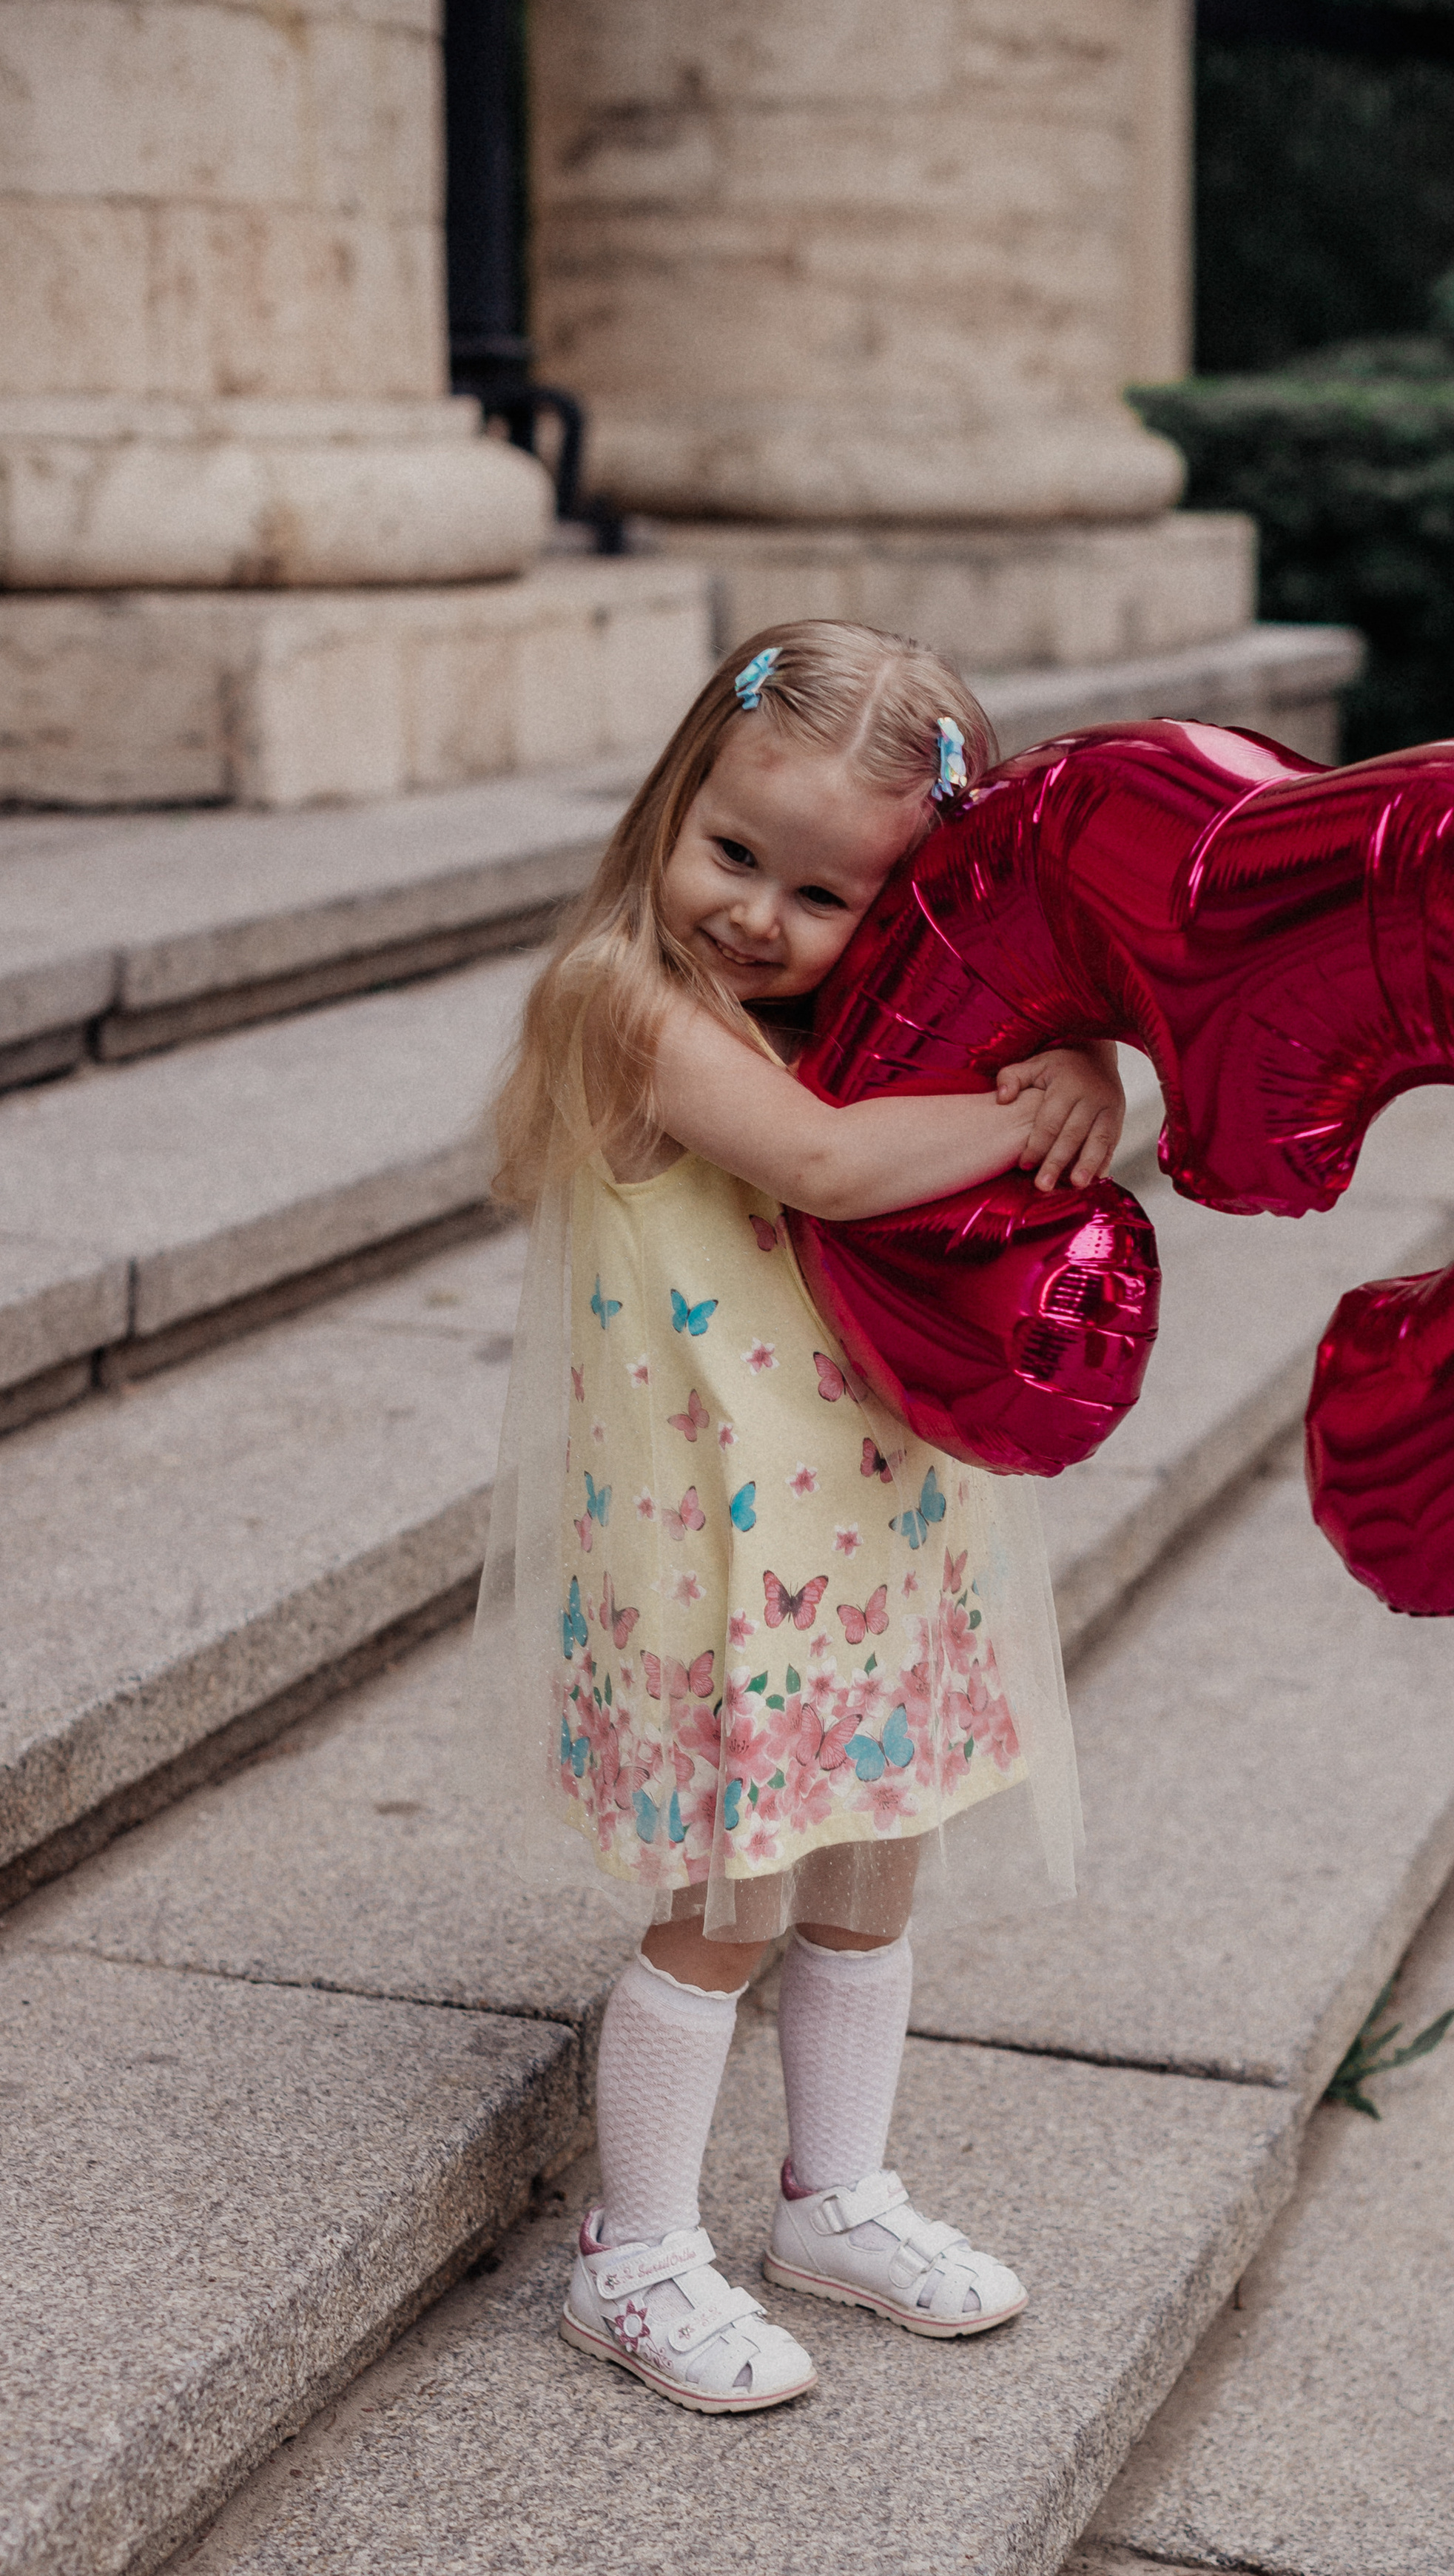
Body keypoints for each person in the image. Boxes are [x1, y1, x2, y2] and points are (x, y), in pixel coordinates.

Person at [474, 621, 1120, 2412]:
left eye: (825, 895)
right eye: (731, 853)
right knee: (727, 1907)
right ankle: (635, 2253)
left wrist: (1086, 1078)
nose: (757, 915)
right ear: (673, 801)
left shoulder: (862, 1024)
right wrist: (1028, 1112)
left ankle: (832, 2196)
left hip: (873, 1527)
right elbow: (835, 1168)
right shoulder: (631, 1001)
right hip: (712, 1555)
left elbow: (992, 1161)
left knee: (870, 1871)